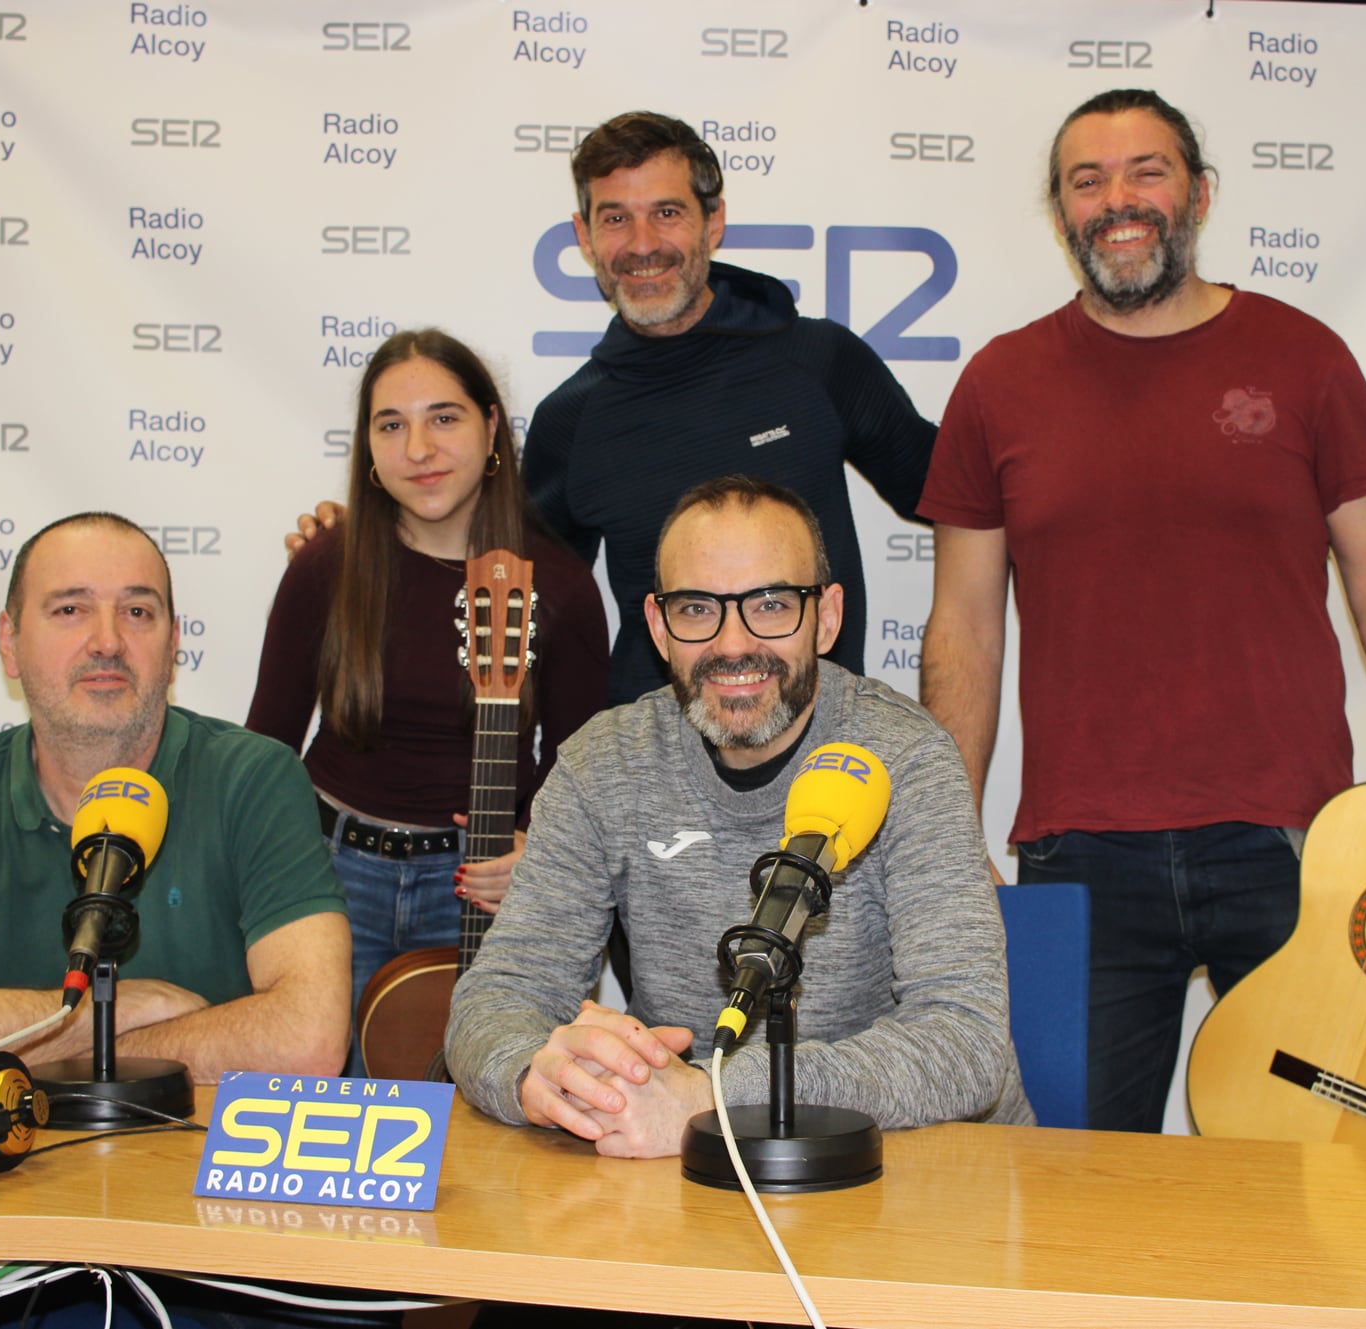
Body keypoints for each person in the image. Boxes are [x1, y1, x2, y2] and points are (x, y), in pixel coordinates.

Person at [916, 88, 1366, 1135]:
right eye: (1087, 180)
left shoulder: (1305, 357)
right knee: (1072, 1178)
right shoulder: (999, 383)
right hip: (1081, 851)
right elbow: (963, 629)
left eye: (1146, 172)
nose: (1119, 200)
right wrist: (942, 831)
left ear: (1198, 193)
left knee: (1317, 1169)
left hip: (1292, 844)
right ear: (1060, 213)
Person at [444, 476, 1031, 1159]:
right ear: (659, 627)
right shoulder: (602, 765)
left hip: (921, 1169)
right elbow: (498, 994)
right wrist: (536, 1072)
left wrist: (713, 1093)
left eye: (772, 604)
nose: (732, 644)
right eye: (697, 608)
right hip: (686, 1160)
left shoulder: (908, 756)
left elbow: (966, 1041)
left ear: (828, 617)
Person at [290, 110, 936, 707]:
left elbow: (950, 491)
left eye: (667, 212)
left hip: (818, 750)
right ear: (585, 236)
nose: (642, 243)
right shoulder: (572, 420)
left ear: (713, 222)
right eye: (616, 218)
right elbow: (495, 579)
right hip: (650, 777)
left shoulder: (819, 362)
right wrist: (366, 536)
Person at [0, 513, 351, 1096]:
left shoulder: (254, 779)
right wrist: (115, 1011)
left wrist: (52, 1061)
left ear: (174, 643)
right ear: (10, 645)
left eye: (138, 612)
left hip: (196, 1164)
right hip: (13, 1176)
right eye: (70, 610)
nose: (108, 641)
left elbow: (308, 1039)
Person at [246, 329, 607, 1059]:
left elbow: (582, 770)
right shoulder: (327, 566)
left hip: (478, 886)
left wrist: (536, 850)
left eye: (444, 417)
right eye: (391, 424)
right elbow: (264, 751)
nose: (418, 448)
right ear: (369, 449)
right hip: (328, 875)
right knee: (326, 1108)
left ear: (493, 428)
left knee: (486, 1107)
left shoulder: (560, 585)